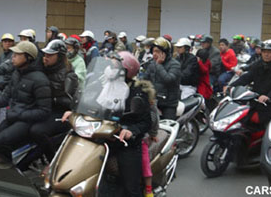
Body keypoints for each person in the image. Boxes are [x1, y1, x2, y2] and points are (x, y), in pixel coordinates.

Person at [63, 51, 152, 197]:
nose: (109, 67)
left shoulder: (136, 91)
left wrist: (131, 130)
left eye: (114, 64)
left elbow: (146, 121)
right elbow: (85, 102)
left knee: (131, 187)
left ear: (125, 70)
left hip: (122, 140)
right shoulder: (100, 84)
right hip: (98, 133)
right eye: (109, 63)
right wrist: (74, 112)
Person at [0, 41, 51, 160]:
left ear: (28, 57)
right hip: (13, 117)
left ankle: (10, 173)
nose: (12, 57)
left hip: (27, 121)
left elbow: (44, 111)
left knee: (0, 142)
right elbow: (4, 98)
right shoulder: (17, 74)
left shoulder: (40, 80)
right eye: (13, 54)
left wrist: (18, 114)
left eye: (17, 55)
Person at [19, 40, 79, 170]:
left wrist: (50, 97)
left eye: (50, 55)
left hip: (61, 113)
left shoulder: (69, 75)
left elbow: (70, 101)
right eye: (45, 55)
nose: (46, 58)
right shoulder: (42, 68)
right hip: (43, 109)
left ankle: (55, 164)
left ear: (60, 56)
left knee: (37, 131)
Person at [227, 40, 271, 129]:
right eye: (264, 52)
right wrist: (231, 86)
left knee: (264, 128)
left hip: (270, 103)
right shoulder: (258, 64)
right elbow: (247, 77)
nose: (266, 54)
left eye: (269, 52)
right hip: (255, 100)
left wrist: (268, 97)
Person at [142, 37, 181, 120]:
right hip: (154, 101)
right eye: (153, 51)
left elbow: (169, 80)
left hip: (168, 103)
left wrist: (159, 65)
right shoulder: (152, 63)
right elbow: (145, 78)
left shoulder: (175, 65)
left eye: (157, 51)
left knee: (168, 128)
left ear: (164, 53)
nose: (154, 54)